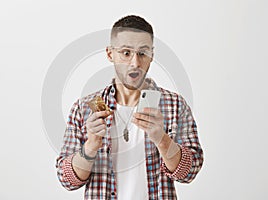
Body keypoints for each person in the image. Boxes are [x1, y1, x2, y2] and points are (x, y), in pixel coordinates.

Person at [56, 15, 203, 200]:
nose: (135, 63)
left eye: (142, 53)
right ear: (110, 54)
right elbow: (67, 180)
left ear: (152, 55)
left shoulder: (174, 105)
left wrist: (162, 140)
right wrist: (91, 145)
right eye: (126, 53)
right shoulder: (84, 109)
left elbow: (189, 173)